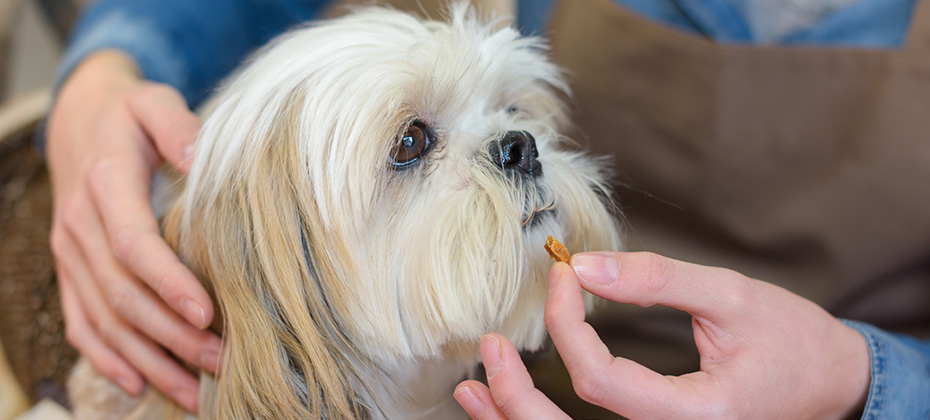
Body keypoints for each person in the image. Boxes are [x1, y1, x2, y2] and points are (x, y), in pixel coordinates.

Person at [45, 0, 930, 418]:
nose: (522, 149)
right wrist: (113, 64)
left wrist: (869, 381)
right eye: (412, 145)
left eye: (515, 119)